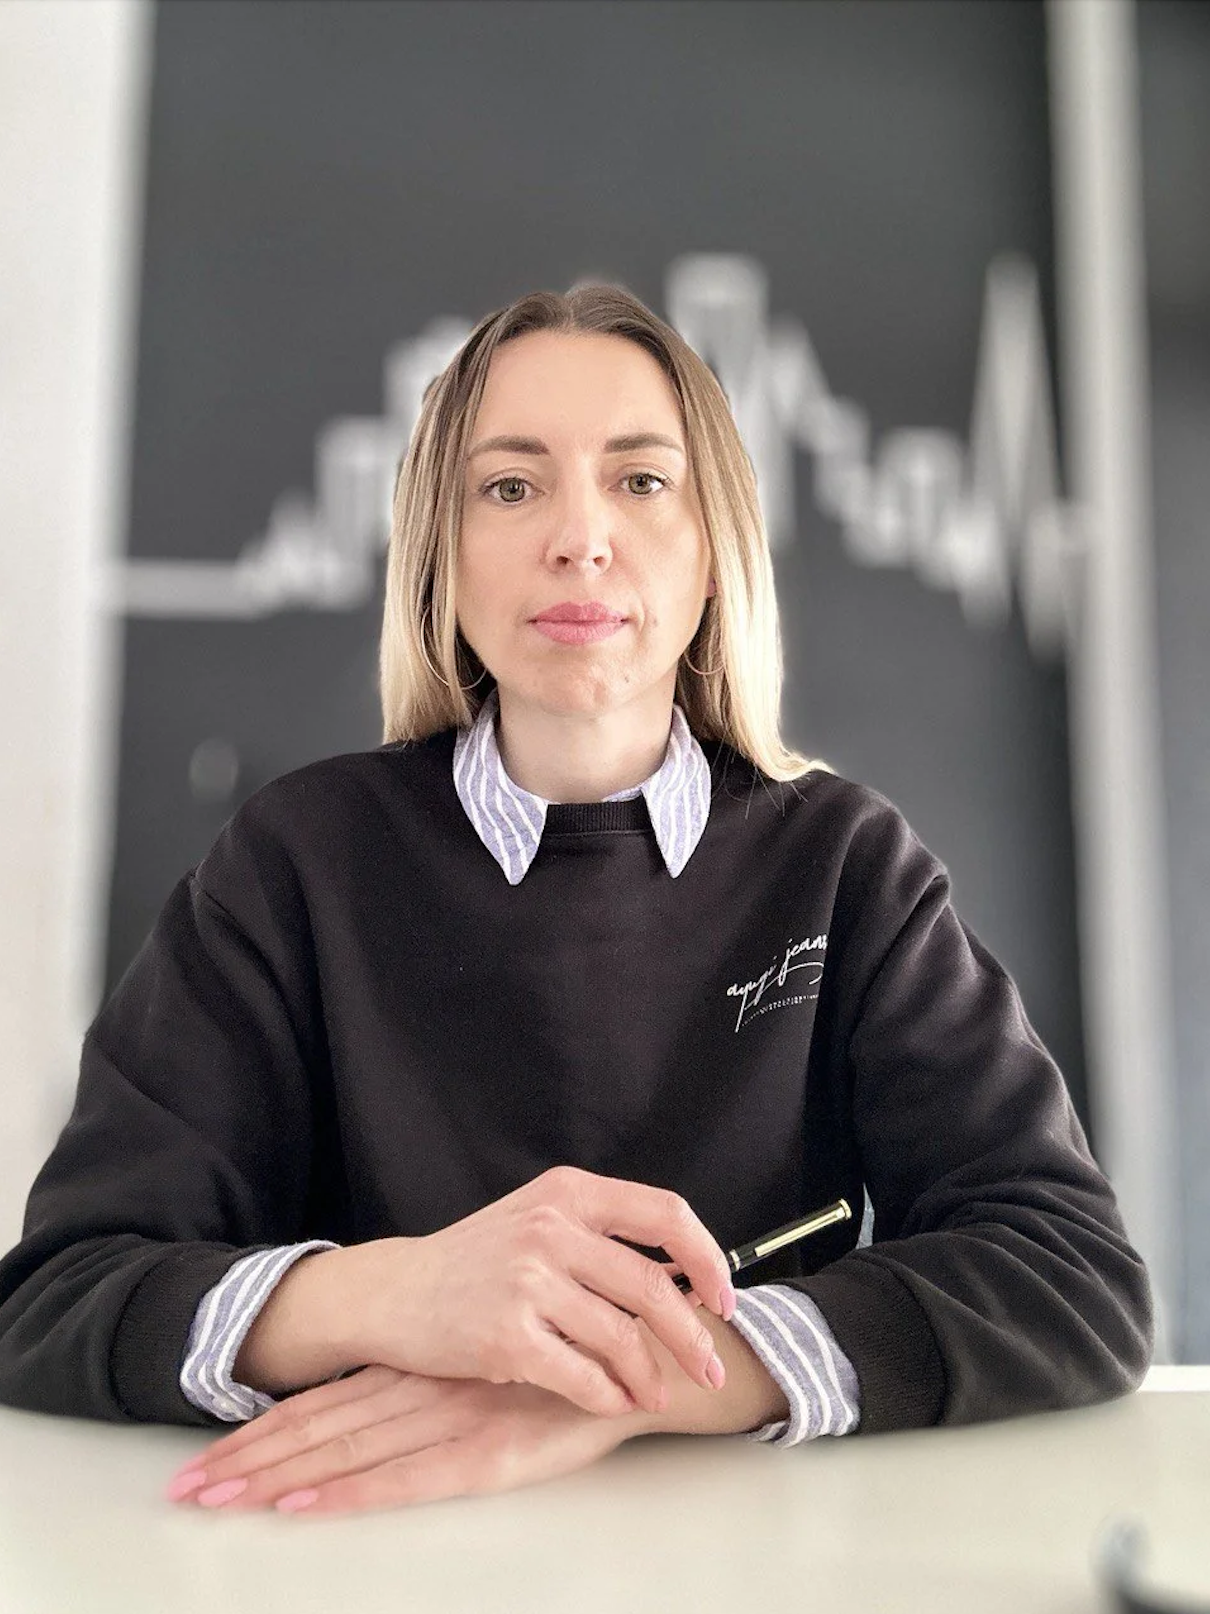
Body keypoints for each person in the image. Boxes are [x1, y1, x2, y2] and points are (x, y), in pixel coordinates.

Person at [0, 283, 1152, 1518]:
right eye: (509, 486)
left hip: (740, 1555)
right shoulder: (295, 860)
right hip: (357, 1554)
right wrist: (399, 1295)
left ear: (717, 548)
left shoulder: (846, 866)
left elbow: (1069, 1275)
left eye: (642, 482)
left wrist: (617, 1385)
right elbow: (55, 1298)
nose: (579, 537)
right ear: (440, 553)